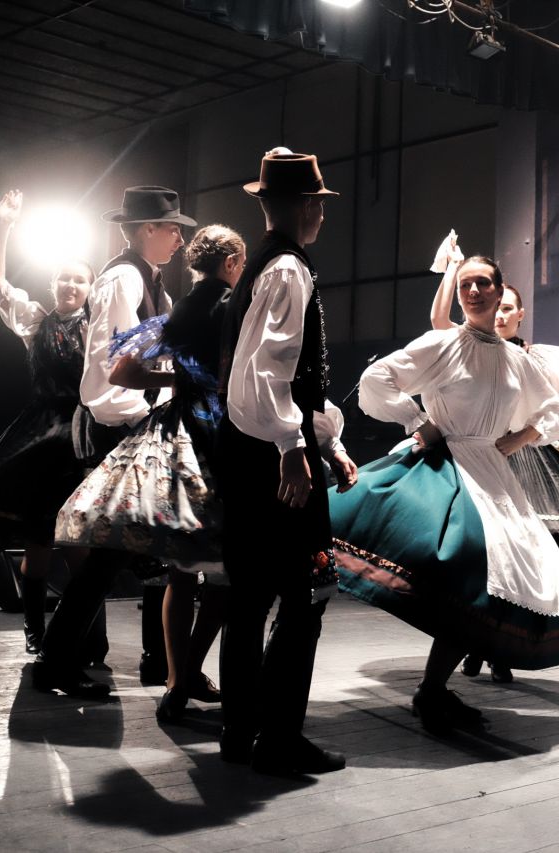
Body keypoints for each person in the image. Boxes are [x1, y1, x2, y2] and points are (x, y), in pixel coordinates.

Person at [331, 255, 559, 736]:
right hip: (444, 460)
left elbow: (552, 410)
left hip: (491, 470)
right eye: (465, 284)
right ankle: (428, 688)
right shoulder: (444, 344)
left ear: (499, 291)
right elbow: (376, 380)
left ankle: (433, 689)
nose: (472, 292)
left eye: (482, 284)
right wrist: (418, 421)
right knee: (463, 562)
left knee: (495, 577)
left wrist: (521, 437)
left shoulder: (517, 360)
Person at [56, 224, 246, 721]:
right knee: (223, 570)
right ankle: (191, 671)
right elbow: (243, 376)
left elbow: (121, 371)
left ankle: (176, 683)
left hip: (173, 429)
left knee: (180, 570)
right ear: (231, 264)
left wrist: (178, 378)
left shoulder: (176, 313)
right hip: (218, 432)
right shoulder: (233, 308)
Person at [428, 234, 559, 681]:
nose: (501, 314)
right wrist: (450, 270)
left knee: (515, 556)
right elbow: (438, 323)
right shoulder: (465, 342)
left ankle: (500, 647)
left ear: (518, 313)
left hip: (519, 458)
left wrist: (534, 436)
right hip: (477, 452)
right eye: (498, 307)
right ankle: (475, 644)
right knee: (482, 552)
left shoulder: (532, 358)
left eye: (508, 308)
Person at [216, 149, 356, 775]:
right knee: (305, 595)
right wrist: (293, 447)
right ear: (305, 206)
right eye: (319, 204)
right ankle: (277, 738)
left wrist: (324, 441)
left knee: (249, 599)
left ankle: (240, 731)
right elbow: (268, 372)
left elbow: (269, 379)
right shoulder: (289, 270)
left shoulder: (262, 265)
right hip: (272, 460)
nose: (322, 215)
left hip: (251, 452)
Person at [32, 185, 192, 699]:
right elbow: (112, 367)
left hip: (136, 423)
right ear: (147, 229)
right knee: (110, 555)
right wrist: (147, 413)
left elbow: (146, 354)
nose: (179, 240)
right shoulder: (124, 278)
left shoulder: (148, 280)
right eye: (173, 229)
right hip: (120, 426)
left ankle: (143, 661)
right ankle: (59, 660)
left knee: (133, 554)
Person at [0, 190, 93, 655]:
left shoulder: (99, 327)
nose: (70, 285)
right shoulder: (35, 321)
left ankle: (88, 639)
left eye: (79, 280)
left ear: (91, 288)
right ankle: (34, 632)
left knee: (81, 546)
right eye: (64, 278)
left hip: (83, 435)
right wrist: (3, 223)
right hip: (40, 437)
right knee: (39, 542)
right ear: (52, 283)